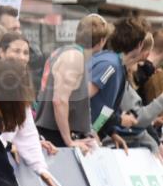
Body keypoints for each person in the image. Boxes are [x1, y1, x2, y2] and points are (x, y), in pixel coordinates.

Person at [0, 31, 58, 186]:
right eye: (16, 51)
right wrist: (7, 145)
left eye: (25, 53)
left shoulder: (23, 83)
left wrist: (41, 168)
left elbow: (26, 129)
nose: (22, 57)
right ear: (2, 52)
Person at [35, 13, 112, 152]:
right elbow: (59, 101)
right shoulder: (74, 57)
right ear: (102, 41)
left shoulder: (68, 52)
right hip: (54, 137)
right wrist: (69, 141)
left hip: (53, 133)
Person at [89, 17, 152, 151]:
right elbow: (83, 98)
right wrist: (119, 120)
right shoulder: (111, 65)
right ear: (140, 44)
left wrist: (110, 131)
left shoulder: (117, 66)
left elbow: (104, 105)